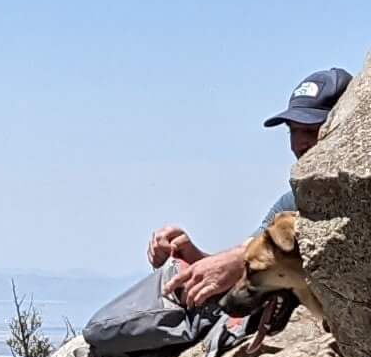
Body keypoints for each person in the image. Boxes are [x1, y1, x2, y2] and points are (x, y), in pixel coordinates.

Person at [148, 66, 352, 309]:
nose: (299, 144)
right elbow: (252, 258)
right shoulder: (291, 202)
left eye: (310, 130)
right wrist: (192, 256)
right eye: (293, 131)